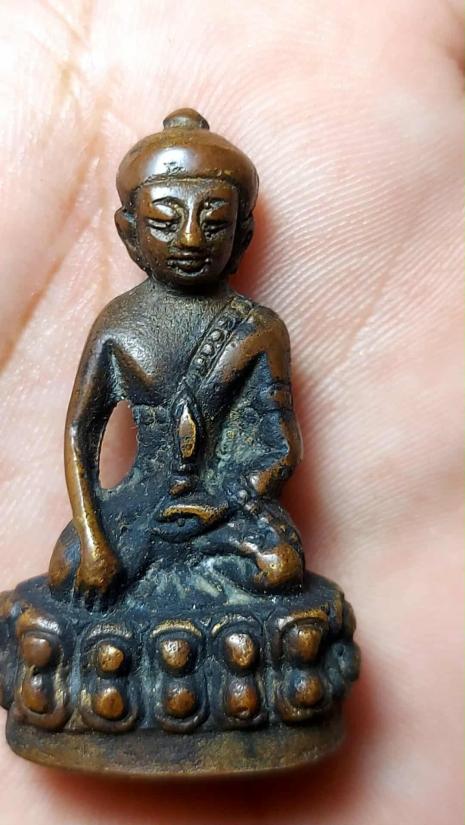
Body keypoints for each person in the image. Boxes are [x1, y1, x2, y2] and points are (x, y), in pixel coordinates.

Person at [49, 109, 304, 607]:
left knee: (279, 568)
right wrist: (96, 542)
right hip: (141, 505)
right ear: (129, 232)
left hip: (225, 511)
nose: (190, 239)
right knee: (70, 569)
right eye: (165, 221)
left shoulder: (257, 329)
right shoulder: (119, 325)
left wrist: (224, 502)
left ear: (242, 235)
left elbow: (281, 446)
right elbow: (81, 432)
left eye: (214, 223)